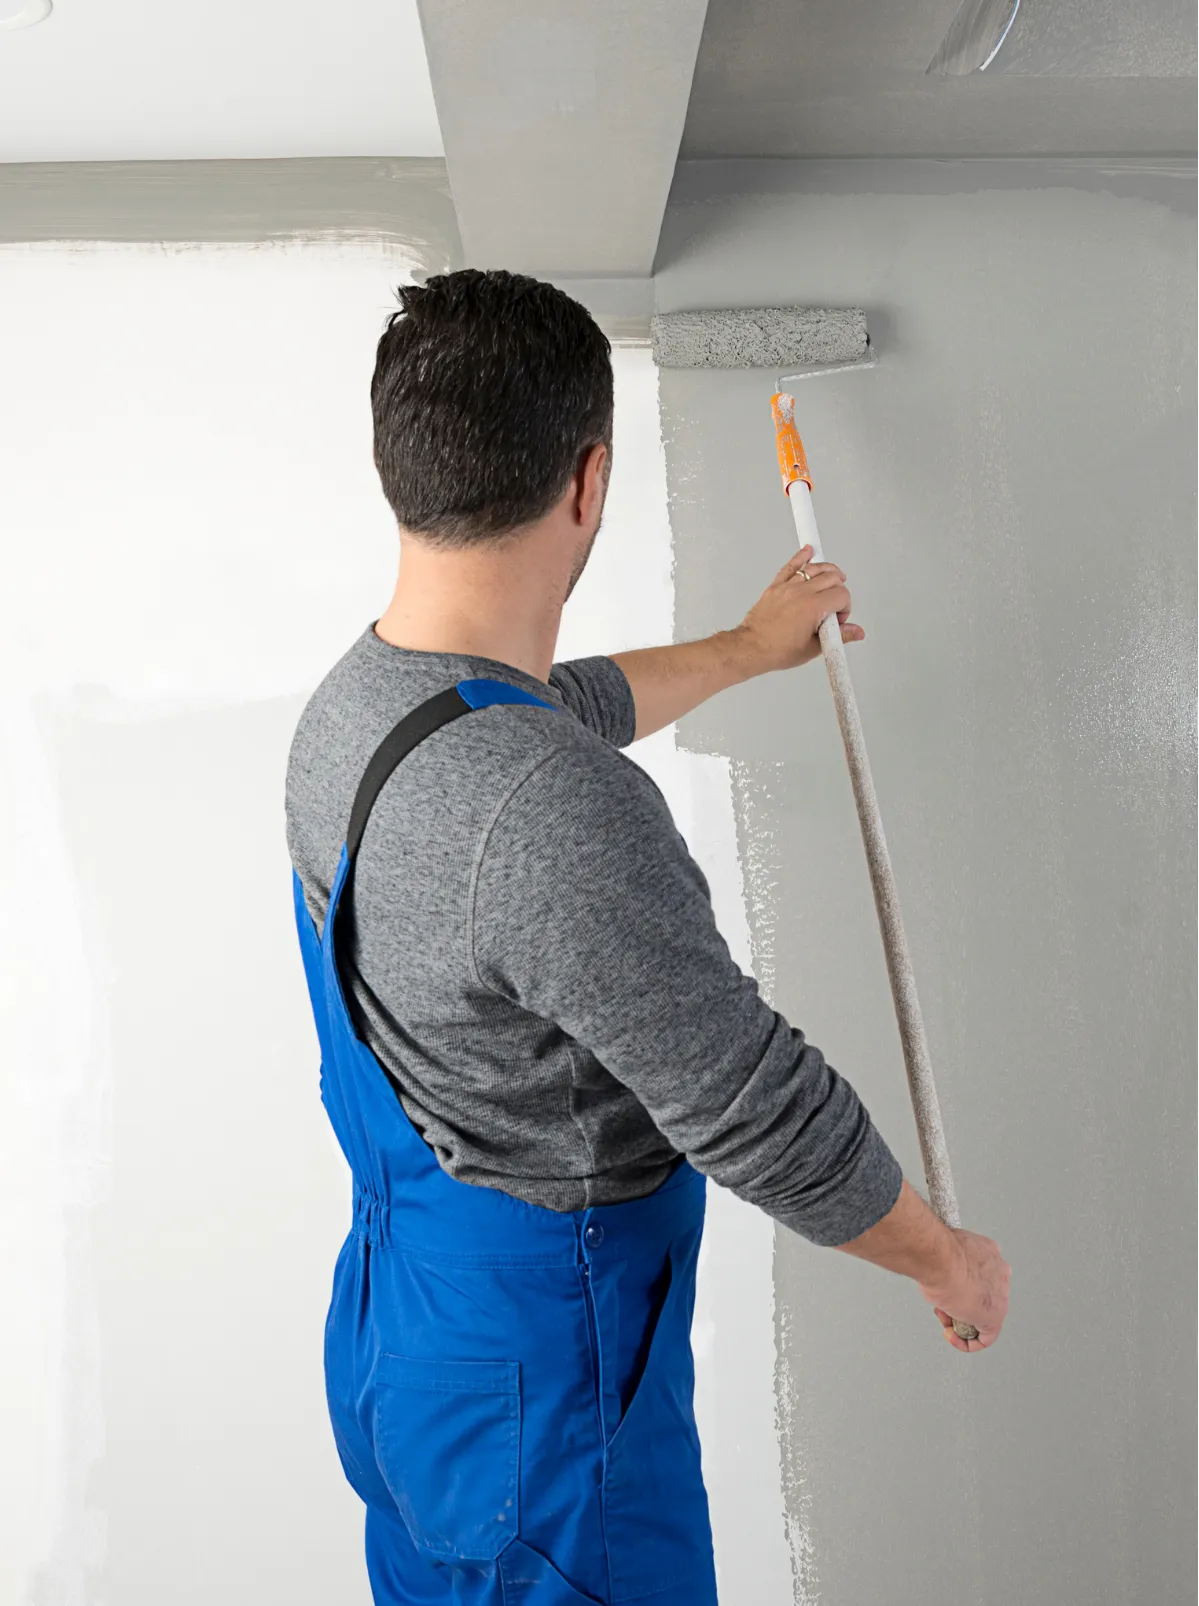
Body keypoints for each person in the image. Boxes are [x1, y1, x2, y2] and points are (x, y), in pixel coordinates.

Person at [285, 268, 1010, 1606]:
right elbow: (756, 1109)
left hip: (414, 1352)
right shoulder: (550, 812)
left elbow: (538, 708)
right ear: (589, 481)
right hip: (550, 1414)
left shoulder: (358, 707)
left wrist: (743, 646)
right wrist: (945, 1261)